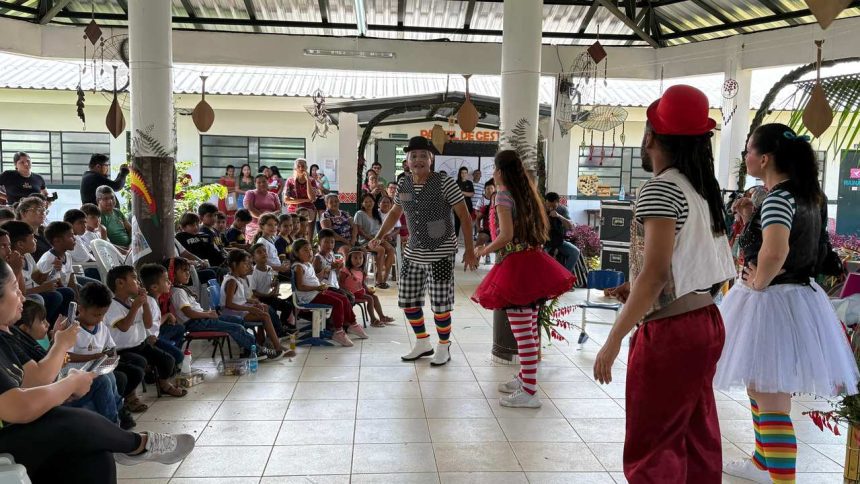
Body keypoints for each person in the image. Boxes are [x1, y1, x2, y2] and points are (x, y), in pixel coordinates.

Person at [591, 85, 737, 482]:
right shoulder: (700, 190)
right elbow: (686, 266)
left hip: (673, 333)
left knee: (653, 442)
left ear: (651, 136)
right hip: (705, 321)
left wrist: (613, 338)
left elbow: (655, 274)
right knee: (695, 434)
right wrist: (635, 286)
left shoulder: (660, 187)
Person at [716, 124, 860, 483]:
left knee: (770, 396)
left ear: (764, 158)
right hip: (797, 298)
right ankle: (762, 463)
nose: (745, 155)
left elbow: (777, 250)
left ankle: (780, 475)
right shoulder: (809, 196)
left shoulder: (780, 197)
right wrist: (751, 219)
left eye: (748, 149)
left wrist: (758, 281)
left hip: (772, 301)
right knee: (760, 385)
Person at [0, 259, 195, 484]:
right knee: (68, 420)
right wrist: (67, 370)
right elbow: (19, 407)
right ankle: (136, 444)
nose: (22, 297)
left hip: (27, 429)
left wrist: (63, 367)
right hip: (12, 436)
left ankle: (125, 443)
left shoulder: (10, 335)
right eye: (15, 289)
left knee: (97, 456)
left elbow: (34, 379)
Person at [472, 151, 576, 408]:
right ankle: (524, 378)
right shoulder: (527, 193)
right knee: (529, 327)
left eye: (494, 169)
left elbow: (505, 235)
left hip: (517, 267)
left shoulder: (504, 195)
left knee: (523, 334)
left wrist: (483, 250)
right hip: (533, 263)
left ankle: (530, 391)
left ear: (499, 171)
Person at [369, 136, 477, 365]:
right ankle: (422, 341)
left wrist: (469, 250)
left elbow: (464, 217)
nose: (418, 160)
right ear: (407, 160)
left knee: (440, 304)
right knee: (408, 300)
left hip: (440, 252)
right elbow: (395, 214)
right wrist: (379, 236)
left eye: (423, 156)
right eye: (413, 156)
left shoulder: (444, 182)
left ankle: (443, 345)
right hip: (413, 252)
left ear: (431, 159)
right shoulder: (404, 185)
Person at [164, 257, 269, 360]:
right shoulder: (178, 292)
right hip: (195, 322)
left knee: (238, 320)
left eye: (188, 270)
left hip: (201, 319)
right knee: (236, 328)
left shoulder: (181, 289)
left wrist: (208, 312)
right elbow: (189, 313)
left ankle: (247, 349)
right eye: (183, 271)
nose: (188, 273)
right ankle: (256, 350)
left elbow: (193, 311)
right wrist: (208, 314)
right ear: (173, 273)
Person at [106, 265, 187, 397]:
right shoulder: (112, 305)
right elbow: (124, 327)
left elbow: (148, 324)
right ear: (120, 283)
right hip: (122, 350)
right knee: (138, 364)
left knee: (168, 360)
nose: (138, 282)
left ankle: (164, 383)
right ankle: (130, 396)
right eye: (134, 278)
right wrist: (136, 306)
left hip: (140, 345)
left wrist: (145, 304)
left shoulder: (134, 302)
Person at [72, 280, 148, 417]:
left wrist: (111, 357)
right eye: (96, 315)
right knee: (107, 380)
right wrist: (94, 357)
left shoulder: (101, 327)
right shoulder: (71, 329)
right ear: (80, 308)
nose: (100, 319)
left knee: (112, 377)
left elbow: (111, 348)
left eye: (103, 314)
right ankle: (113, 419)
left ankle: (119, 413)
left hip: (98, 368)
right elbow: (65, 357)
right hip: (76, 375)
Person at [292, 238, 365, 346]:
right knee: (337, 303)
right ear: (297, 253)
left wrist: (321, 282)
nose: (310, 252)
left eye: (310, 250)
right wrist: (316, 288)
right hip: (309, 296)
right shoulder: (298, 267)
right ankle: (338, 331)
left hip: (317, 292)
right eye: (305, 250)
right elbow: (300, 287)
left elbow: (314, 278)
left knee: (343, 298)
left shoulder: (308, 265)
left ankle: (352, 324)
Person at [5, 220, 73, 327]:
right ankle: (43, 327)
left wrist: (52, 268)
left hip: (34, 291)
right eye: (32, 238)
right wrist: (43, 288)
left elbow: (39, 279)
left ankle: (59, 325)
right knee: (52, 297)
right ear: (20, 244)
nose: (36, 240)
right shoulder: (11, 262)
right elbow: (19, 293)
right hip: (26, 296)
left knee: (68, 292)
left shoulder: (27, 256)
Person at [140, 264, 185, 367]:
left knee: (179, 328)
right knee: (179, 356)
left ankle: (168, 351)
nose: (169, 282)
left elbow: (155, 322)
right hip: (151, 339)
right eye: (166, 280)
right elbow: (147, 325)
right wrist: (149, 337)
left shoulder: (154, 300)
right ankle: (167, 359)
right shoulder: (148, 302)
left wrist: (168, 315)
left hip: (157, 333)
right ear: (154, 287)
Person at [339, 246, 394, 328]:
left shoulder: (362, 271)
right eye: (355, 258)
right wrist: (347, 292)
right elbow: (341, 284)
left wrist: (368, 289)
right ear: (350, 259)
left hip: (359, 292)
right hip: (350, 294)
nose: (358, 260)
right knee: (370, 298)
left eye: (360, 258)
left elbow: (362, 284)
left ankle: (382, 317)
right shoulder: (345, 270)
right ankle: (373, 320)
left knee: (374, 297)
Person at [248, 243, 295, 332]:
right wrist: (269, 295)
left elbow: (270, 284)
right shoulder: (254, 272)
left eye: (265, 251)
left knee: (288, 306)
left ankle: (283, 324)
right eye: (259, 252)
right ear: (253, 258)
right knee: (272, 309)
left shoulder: (269, 268)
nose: (263, 253)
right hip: (260, 299)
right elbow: (254, 292)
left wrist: (274, 285)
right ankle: (277, 329)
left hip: (269, 297)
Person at [354, 193, 395, 288]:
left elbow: (380, 229)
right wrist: (372, 239)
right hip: (365, 241)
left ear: (374, 202)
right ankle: (379, 278)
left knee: (391, 250)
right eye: (366, 202)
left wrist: (380, 238)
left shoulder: (376, 213)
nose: (369, 203)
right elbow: (360, 231)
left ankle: (384, 278)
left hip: (377, 239)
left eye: (371, 201)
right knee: (381, 250)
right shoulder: (359, 214)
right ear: (362, 203)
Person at [34, 221, 79, 296]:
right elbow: (46, 283)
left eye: (73, 235)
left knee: (80, 288)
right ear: (57, 241)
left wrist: (78, 299)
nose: (74, 239)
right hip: (48, 291)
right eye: (70, 236)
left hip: (64, 287)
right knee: (68, 292)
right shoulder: (49, 260)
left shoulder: (67, 255)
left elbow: (71, 279)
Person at [544, 192, 581, 274]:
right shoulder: (540, 209)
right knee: (543, 257)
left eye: (553, 206)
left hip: (558, 240)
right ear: (545, 201)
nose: (550, 208)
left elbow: (571, 226)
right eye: (548, 205)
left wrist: (558, 216)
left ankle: (565, 276)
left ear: (558, 202)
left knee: (575, 252)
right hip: (544, 242)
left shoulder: (562, 209)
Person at [243, 174, 281, 240]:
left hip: (271, 226)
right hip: (254, 226)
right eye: (259, 182)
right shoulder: (250, 193)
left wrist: (269, 219)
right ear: (255, 184)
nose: (262, 184)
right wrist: (265, 219)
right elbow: (250, 208)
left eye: (264, 182)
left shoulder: (274, 195)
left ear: (268, 182)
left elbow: (279, 210)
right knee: (255, 246)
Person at [15, 196, 51, 261]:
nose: (43, 213)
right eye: (38, 210)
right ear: (23, 213)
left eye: (44, 210)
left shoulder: (45, 232)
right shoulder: (17, 235)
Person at [454, 166, 475, 243]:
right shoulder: (456, 183)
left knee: (467, 224)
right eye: (462, 173)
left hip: (468, 206)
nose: (464, 174)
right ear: (460, 173)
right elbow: (454, 195)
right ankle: (455, 241)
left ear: (467, 174)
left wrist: (462, 192)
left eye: (465, 173)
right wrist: (466, 194)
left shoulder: (469, 183)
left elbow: (472, 194)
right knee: (457, 224)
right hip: (457, 206)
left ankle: (467, 241)